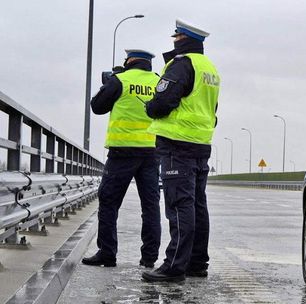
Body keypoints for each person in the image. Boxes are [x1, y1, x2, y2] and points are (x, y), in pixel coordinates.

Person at [141, 19, 220, 282]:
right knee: (197, 204)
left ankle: (174, 266)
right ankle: (197, 263)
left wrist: (150, 108)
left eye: (174, 37)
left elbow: (163, 101)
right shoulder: (209, 68)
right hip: (200, 142)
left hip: (177, 141)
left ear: (180, 39)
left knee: (178, 204)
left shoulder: (181, 64)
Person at [82, 50, 161, 268]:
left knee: (109, 201)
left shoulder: (120, 80)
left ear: (129, 61)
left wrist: (108, 83)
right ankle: (149, 258)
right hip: (151, 152)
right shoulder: (158, 81)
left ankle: (107, 254)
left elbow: (97, 107)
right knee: (151, 206)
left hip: (122, 153)